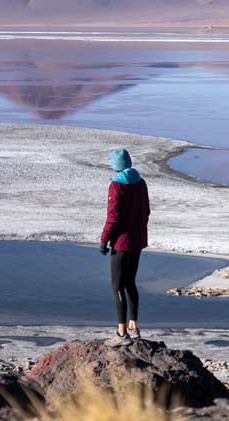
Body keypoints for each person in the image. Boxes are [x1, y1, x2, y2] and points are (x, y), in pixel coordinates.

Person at [100, 148, 150, 347]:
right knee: (130, 282)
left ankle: (121, 333)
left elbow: (113, 217)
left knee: (116, 285)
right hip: (137, 241)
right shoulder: (141, 182)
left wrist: (105, 240)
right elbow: (146, 211)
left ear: (116, 165)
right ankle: (133, 327)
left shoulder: (116, 185)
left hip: (122, 242)